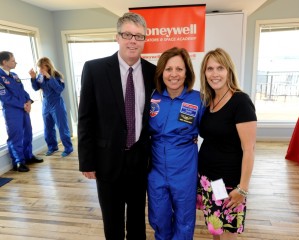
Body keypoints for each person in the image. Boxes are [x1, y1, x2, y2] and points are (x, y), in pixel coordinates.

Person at [77, 12, 156, 240]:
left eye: (139, 36)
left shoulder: (154, 72)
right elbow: (85, 118)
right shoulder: (95, 69)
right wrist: (87, 161)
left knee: (136, 223)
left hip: (140, 161)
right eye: (127, 34)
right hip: (106, 161)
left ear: (144, 40)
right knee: (112, 223)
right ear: (117, 37)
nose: (133, 40)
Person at [196, 48, 257, 240]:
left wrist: (243, 188)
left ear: (229, 71)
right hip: (209, 179)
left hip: (230, 182)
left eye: (220, 68)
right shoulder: (209, 101)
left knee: (228, 234)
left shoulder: (241, 101)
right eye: (210, 69)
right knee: (216, 229)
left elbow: (249, 149)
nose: (215, 74)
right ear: (204, 73)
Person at [148, 47, 205, 240]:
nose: (174, 74)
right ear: (161, 72)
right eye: (168, 69)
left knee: (184, 218)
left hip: (184, 167)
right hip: (155, 168)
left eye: (179, 69)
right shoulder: (152, 97)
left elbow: (214, 132)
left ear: (187, 72)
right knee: (158, 217)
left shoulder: (199, 99)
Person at [0, 51, 43, 172]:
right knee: (16, 136)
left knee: (28, 133)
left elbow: (22, 91)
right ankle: (18, 162)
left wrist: (28, 101)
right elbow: (5, 97)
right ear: (4, 62)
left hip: (24, 109)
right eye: (13, 60)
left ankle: (28, 156)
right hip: (12, 112)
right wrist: (23, 105)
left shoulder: (14, 75)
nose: (15, 62)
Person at [28, 57, 73, 157]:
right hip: (46, 104)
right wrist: (33, 78)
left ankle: (68, 148)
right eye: (39, 68)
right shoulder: (40, 76)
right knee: (48, 128)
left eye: (42, 67)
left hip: (57, 104)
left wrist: (49, 76)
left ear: (48, 66)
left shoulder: (57, 75)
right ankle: (52, 147)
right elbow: (36, 88)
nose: (40, 70)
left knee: (62, 127)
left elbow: (59, 89)